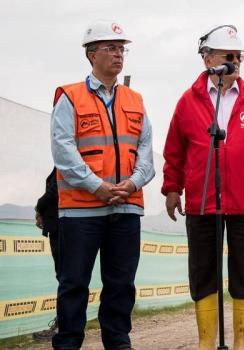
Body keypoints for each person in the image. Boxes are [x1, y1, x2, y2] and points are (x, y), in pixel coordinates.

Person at [161, 24, 244, 350]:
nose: (236, 61)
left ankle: (242, 342)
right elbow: (174, 149)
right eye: (229, 56)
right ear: (208, 60)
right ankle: (207, 342)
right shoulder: (188, 102)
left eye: (239, 56)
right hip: (203, 202)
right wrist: (172, 188)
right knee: (203, 273)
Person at [50, 20, 155, 349]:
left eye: (122, 48)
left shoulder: (136, 100)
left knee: (121, 284)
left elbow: (147, 155)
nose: (118, 54)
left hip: (126, 208)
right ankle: (68, 343)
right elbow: (63, 151)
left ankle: (118, 342)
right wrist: (97, 187)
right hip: (81, 211)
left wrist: (133, 183)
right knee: (74, 284)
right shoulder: (69, 97)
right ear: (91, 54)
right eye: (111, 47)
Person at [32, 168, 59, 341]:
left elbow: (54, 192)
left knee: (66, 278)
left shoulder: (66, 158)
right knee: (66, 278)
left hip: (62, 226)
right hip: (59, 225)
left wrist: (38, 207)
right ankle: (64, 324)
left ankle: (63, 327)